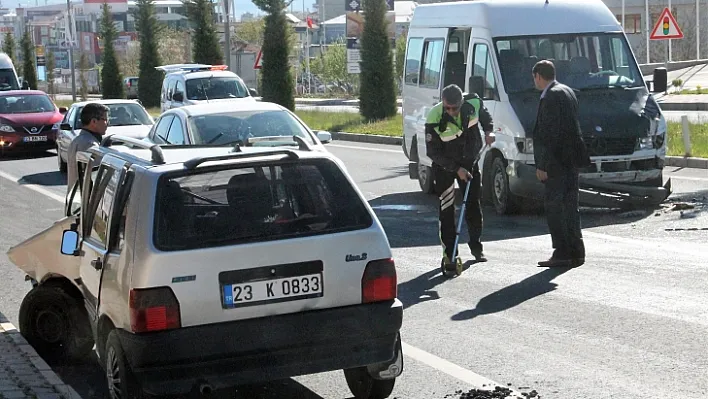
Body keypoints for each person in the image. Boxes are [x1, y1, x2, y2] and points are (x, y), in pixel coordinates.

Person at [425, 84, 495, 269]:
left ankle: (476, 246)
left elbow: (486, 117)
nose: (451, 111)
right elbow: (433, 152)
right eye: (447, 107)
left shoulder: (473, 102)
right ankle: (450, 254)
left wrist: (489, 131)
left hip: (469, 163)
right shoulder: (434, 116)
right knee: (447, 210)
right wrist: (456, 169)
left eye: (454, 108)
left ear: (461, 102)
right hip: (445, 167)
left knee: (473, 204)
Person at [531, 60, 591, 268]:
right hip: (571, 159)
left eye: (534, 77)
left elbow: (549, 134)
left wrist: (543, 165)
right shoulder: (567, 91)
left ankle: (562, 251)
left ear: (538, 76)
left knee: (555, 207)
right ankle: (577, 251)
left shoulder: (550, 96)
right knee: (570, 207)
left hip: (556, 161)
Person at [66, 103, 109, 196]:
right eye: (105, 119)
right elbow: (97, 178)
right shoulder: (90, 146)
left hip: (76, 200)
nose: (107, 123)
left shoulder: (77, 141)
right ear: (93, 122)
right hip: (85, 202)